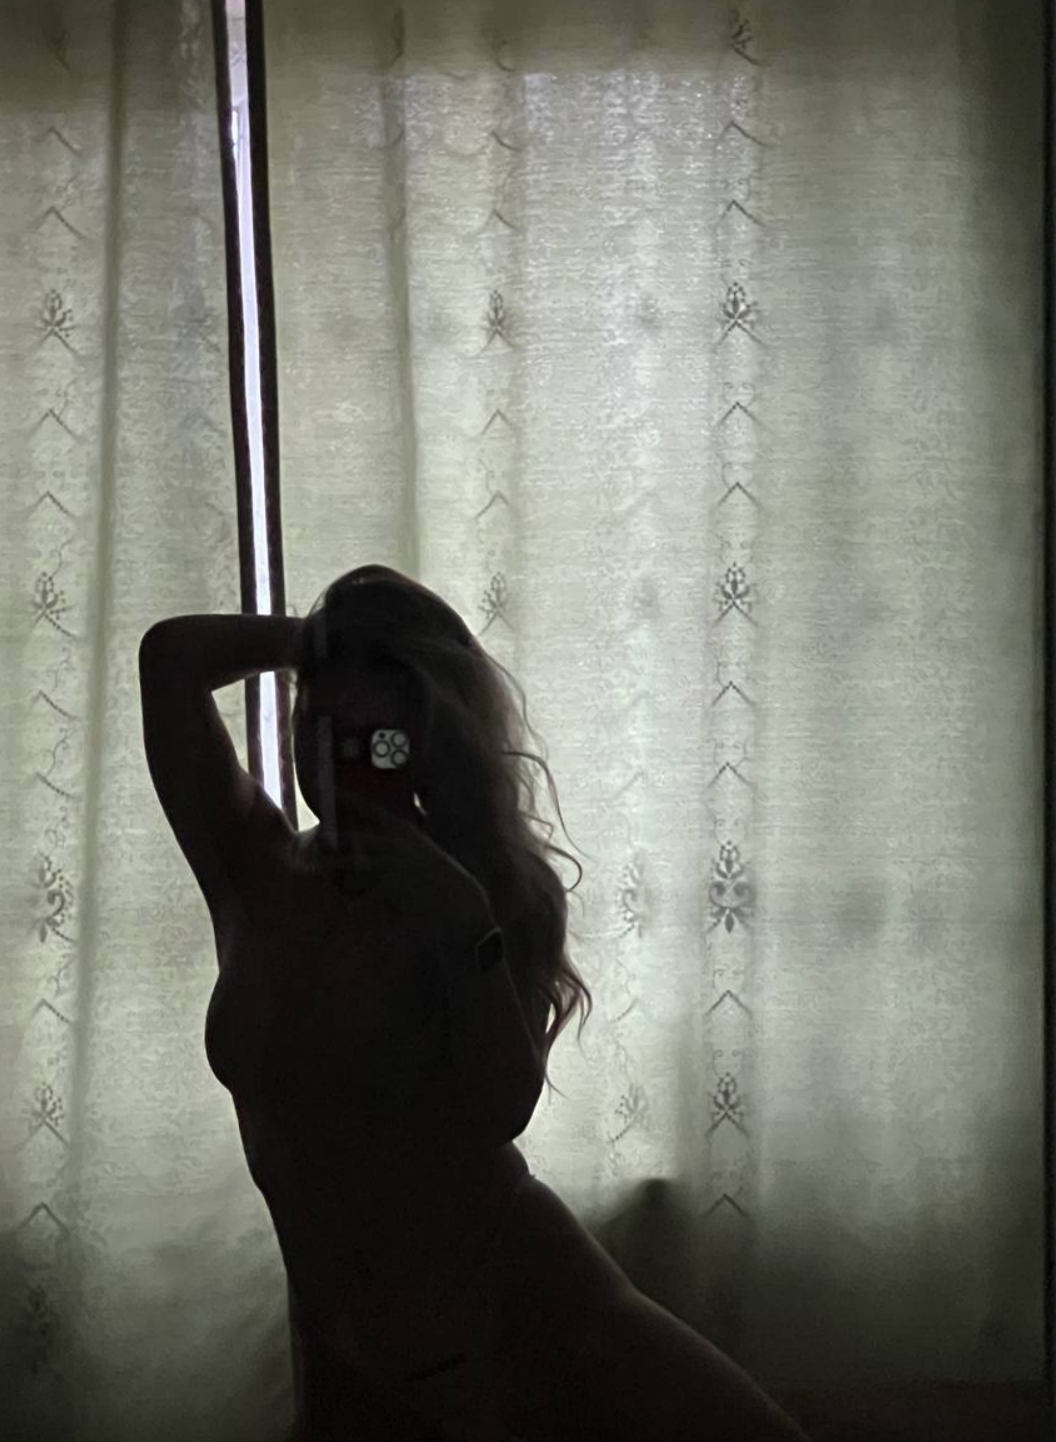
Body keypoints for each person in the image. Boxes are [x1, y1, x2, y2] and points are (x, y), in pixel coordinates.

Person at [139, 565, 813, 1441]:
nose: (341, 763)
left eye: (378, 742)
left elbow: (501, 1109)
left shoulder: (486, 893)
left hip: (522, 1309)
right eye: (320, 730)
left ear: (425, 744)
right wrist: (318, 640)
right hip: (344, 1344)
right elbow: (169, 658)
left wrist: (458, 921)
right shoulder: (253, 869)